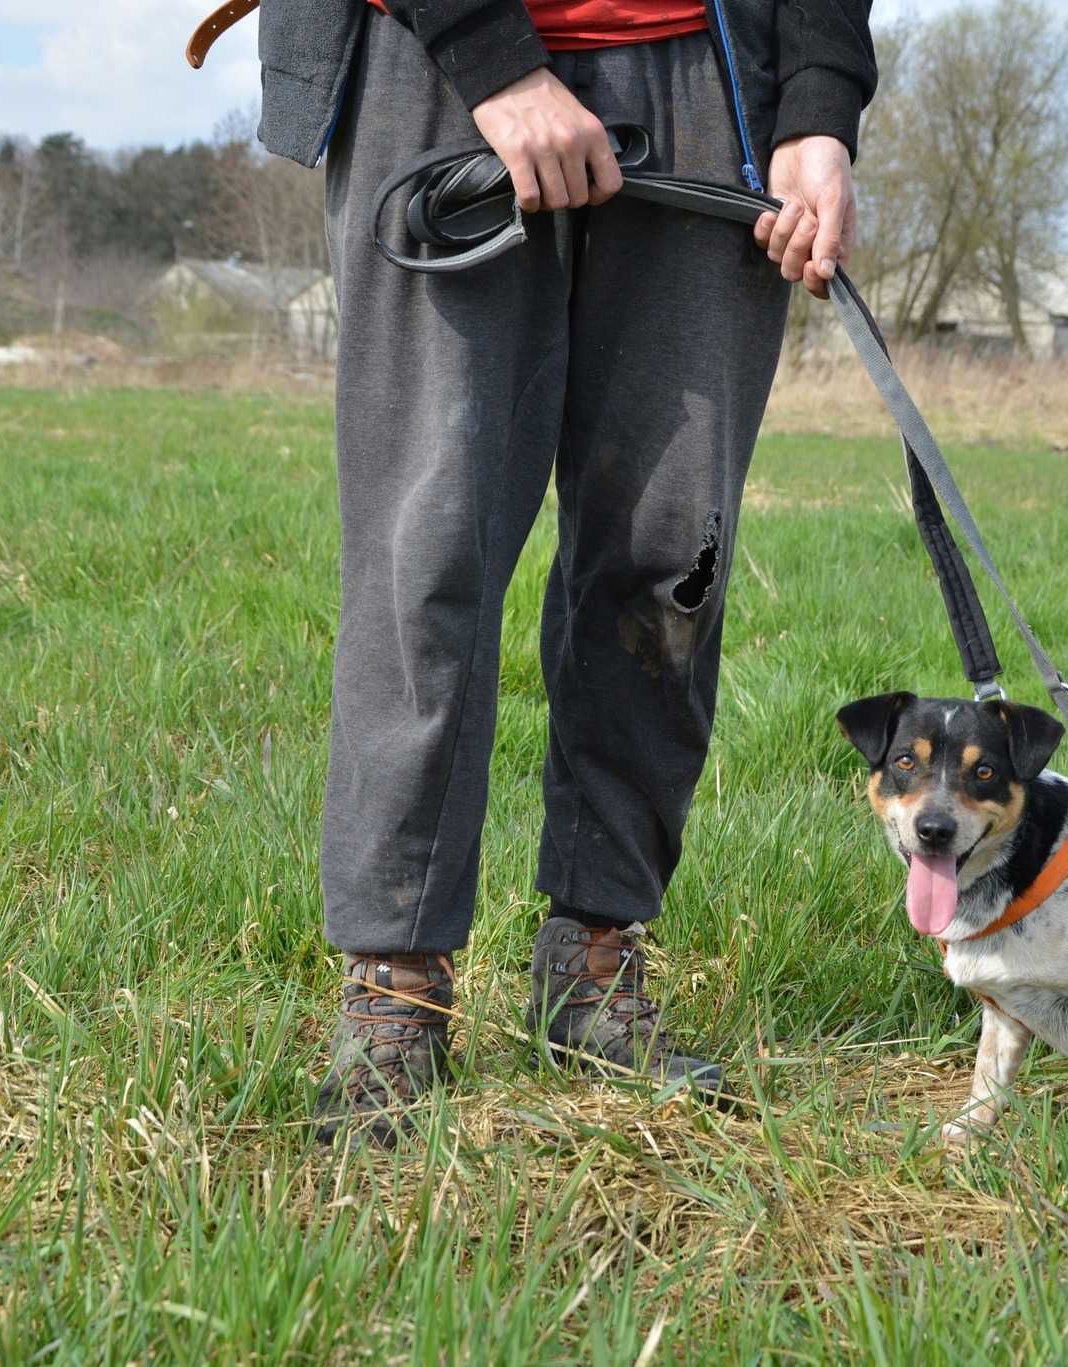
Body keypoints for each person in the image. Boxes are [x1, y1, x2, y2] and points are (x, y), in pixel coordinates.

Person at [252, 0, 876, 1142]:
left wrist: (817, 106)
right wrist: (495, 60)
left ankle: (592, 965)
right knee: (427, 546)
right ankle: (395, 986)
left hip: (710, 68)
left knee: (667, 553)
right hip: (432, 62)